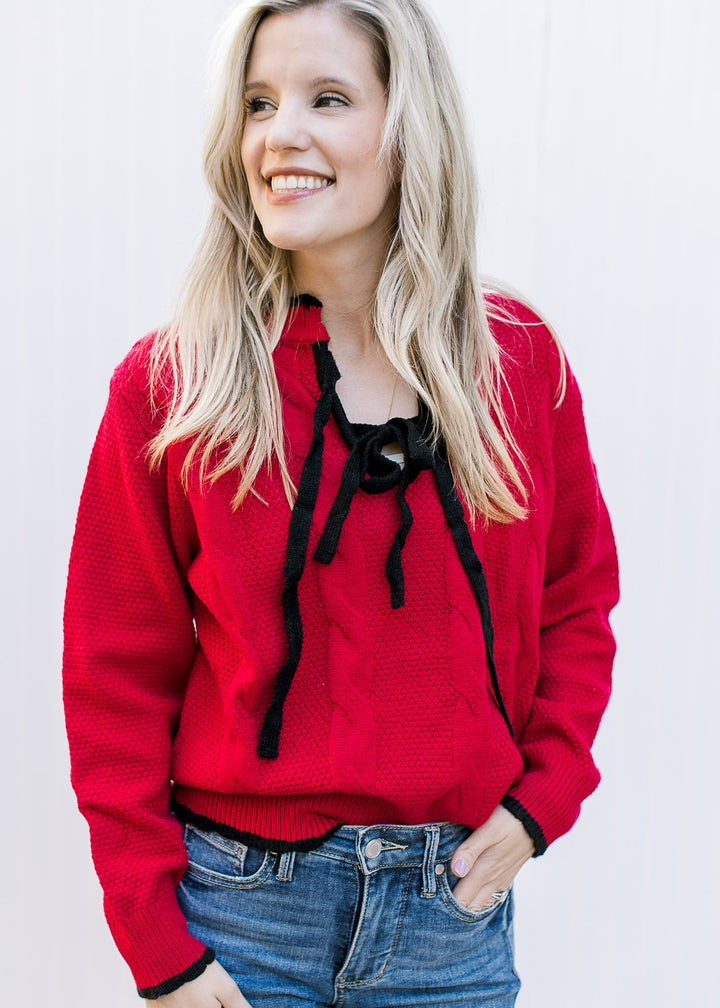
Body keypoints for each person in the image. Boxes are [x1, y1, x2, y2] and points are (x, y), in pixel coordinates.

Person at [63, 0, 619, 1004]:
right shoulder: (173, 387)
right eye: (260, 102)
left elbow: (576, 604)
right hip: (239, 920)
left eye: (328, 98)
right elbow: (114, 678)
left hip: (452, 922)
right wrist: (158, 947)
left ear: (411, 129)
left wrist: (542, 804)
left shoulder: (519, 364)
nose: (283, 134)